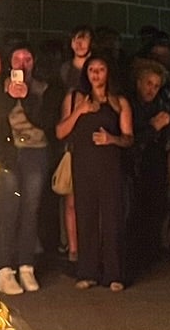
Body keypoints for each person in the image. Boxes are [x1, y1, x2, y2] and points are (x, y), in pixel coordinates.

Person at [0, 46, 56, 296]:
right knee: (8, 208)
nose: (22, 63)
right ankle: (5, 269)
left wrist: (29, 95)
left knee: (30, 209)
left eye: (28, 58)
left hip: (35, 151)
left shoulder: (43, 87)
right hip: (7, 155)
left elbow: (47, 122)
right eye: (17, 58)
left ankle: (26, 265)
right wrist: (10, 95)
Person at [55, 54, 133, 290]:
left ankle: (114, 274)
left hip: (109, 166)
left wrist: (112, 139)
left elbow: (129, 138)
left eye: (101, 69)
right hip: (83, 164)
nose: (96, 74)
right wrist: (80, 110)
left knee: (111, 218)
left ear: (109, 72)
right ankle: (87, 272)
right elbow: (60, 132)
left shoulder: (119, 102)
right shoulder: (75, 98)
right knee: (85, 216)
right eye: (92, 70)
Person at [128, 59, 170, 280]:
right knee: (137, 211)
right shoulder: (130, 105)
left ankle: (152, 252)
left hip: (157, 163)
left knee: (157, 208)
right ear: (139, 82)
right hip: (137, 165)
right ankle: (138, 255)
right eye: (148, 84)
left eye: (156, 85)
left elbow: (166, 136)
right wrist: (153, 127)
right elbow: (132, 140)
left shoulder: (161, 104)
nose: (151, 89)